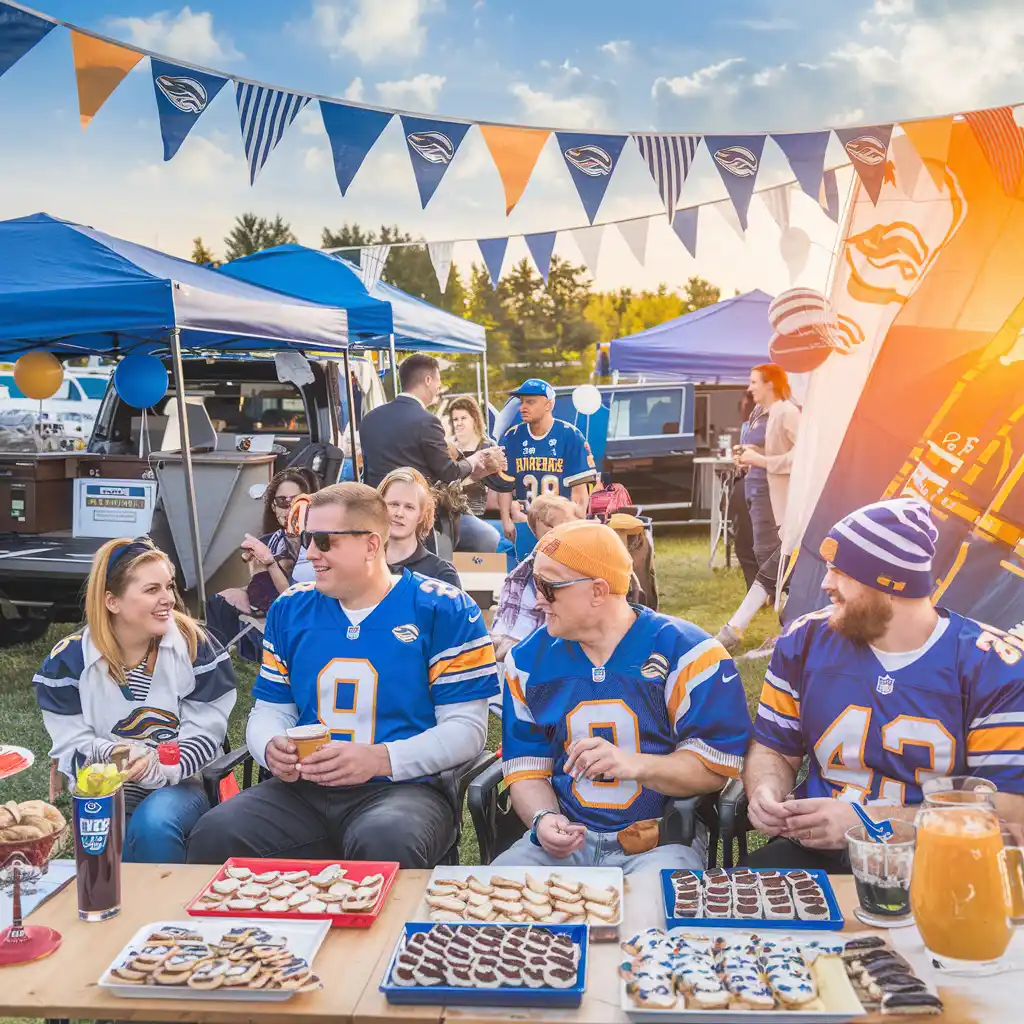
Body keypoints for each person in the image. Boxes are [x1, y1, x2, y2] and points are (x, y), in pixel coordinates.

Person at [186, 483, 499, 867]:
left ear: (370, 545)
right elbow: (270, 708)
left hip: (402, 788)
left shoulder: (444, 607)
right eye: (306, 539)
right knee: (215, 833)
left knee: (385, 841)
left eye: (323, 541)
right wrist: (270, 745)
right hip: (302, 788)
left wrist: (380, 759)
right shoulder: (291, 608)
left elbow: (467, 729)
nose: (310, 553)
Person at [743, 498, 1024, 872]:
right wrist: (765, 790)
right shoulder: (805, 640)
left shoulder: (992, 666)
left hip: (939, 859)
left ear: (891, 584)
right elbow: (773, 750)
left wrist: (874, 823)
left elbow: (1009, 809)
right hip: (816, 851)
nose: (825, 583)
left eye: (840, 571)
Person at [496, 520, 752, 873]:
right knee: (486, 910)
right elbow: (527, 770)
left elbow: (714, 769)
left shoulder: (690, 654)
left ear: (598, 592)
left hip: (659, 840)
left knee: (652, 918)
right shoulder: (526, 662)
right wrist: (543, 819)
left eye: (548, 585)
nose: (537, 598)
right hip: (566, 841)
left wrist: (636, 764)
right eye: (533, 582)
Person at [33, 537, 236, 864]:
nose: (168, 599)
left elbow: (207, 733)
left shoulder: (195, 647)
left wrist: (158, 766)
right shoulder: (68, 662)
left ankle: (167, 911)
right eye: (151, 590)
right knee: (106, 837)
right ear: (112, 602)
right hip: (106, 781)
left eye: (168, 587)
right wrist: (114, 753)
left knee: (153, 824)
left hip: (184, 781)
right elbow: (71, 740)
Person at [359, 356, 506, 542]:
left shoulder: (370, 418)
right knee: (489, 537)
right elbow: (449, 473)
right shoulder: (427, 421)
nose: (439, 386)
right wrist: (475, 459)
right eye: (438, 380)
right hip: (419, 516)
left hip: (378, 512)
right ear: (428, 380)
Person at [717, 364, 800, 650]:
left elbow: (804, 455)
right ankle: (789, 630)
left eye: (754, 382)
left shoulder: (788, 412)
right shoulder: (758, 414)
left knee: (777, 563)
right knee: (770, 559)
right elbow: (770, 451)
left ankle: (739, 629)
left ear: (770, 384)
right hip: (756, 492)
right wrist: (748, 458)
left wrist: (762, 460)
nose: (749, 387)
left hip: (775, 497)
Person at [205, 467, 319, 660]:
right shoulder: (271, 540)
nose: (290, 508)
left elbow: (295, 597)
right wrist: (250, 582)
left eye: (297, 501)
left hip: (303, 608)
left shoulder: (318, 541)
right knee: (220, 601)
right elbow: (259, 587)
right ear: (273, 506)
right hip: (269, 603)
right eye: (282, 501)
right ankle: (217, 663)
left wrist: (269, 563)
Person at [497, 379, 598, 544]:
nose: (523, 407)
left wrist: (575, 524)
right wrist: (506, 521)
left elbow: (580, 492)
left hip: (560, 524)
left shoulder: (570, 435)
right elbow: (505, 485)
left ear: (548, 405)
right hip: (524, 521)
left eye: (530, 402)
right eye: (522, 402)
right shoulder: (512, 436)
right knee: (526, 567)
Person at [491, 494, 584, 665]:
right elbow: (508, 639)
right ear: (539, 540)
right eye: (550, 534)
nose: (560, 539)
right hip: (540, 660)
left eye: (568, 528)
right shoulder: (525, 576)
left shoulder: (594, 564)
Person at [378, 467, 461, 589]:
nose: (399, 513)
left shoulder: (441, 574)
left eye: (409, 507)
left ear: (421, 515)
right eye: (394, 504)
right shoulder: (360, 564)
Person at [447, 396, 502, 553]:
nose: (458, 423)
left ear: (474, 419)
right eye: (455, 419)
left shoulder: (488, 447)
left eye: (463, 418)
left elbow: (498, 486)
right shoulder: (450, 448)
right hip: (455, 515)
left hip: (485, 514)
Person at [730, 391, 759, 591]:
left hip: (759, 484)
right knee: (744, 540)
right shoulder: (748, 425)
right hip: (747, 480)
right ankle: (757, 588)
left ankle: (764, 589)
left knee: (752, 541)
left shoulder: (777, 417)